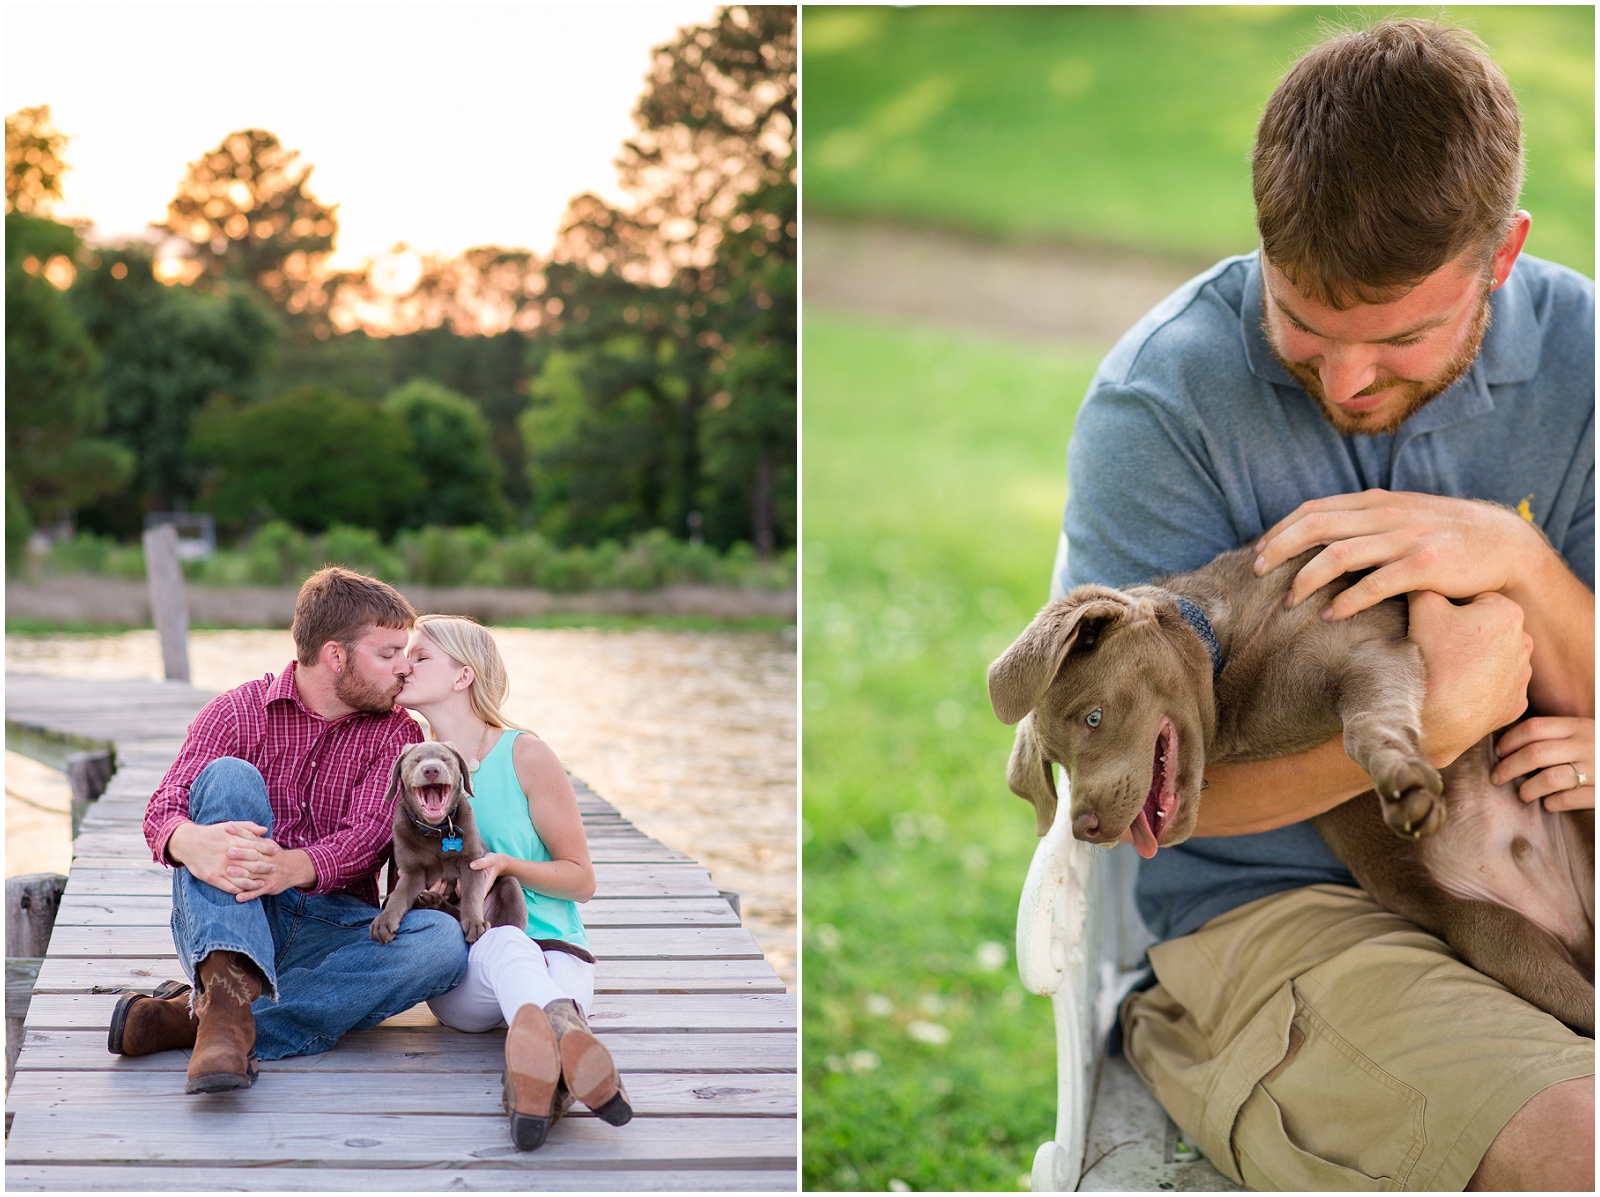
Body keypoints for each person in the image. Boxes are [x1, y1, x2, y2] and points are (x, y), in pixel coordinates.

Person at [1052, 19, 1593, 1191]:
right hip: (1277, 916)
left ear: (1501, 259)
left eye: (1402, 337)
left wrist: (1518, 561)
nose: (1347, 383)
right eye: (1302, 323)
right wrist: (1426, 732)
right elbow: (1131, 804)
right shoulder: (1163, 405)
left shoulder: (1583, 364)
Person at [110, 567, 468, 1092]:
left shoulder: (398, 732)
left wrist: (289, 867)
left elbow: (369, 834)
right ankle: (228, 994)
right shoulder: (236, 711)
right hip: (235, 913)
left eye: (406, 653)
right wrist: (188, 841)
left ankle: (209, 1022)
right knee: (227, 778)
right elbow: (162, 807)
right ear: (336, 656)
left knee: (441, 944)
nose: (402, 670)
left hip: (336, 927)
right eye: (388, 654)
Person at [396, 614, 631, 1151]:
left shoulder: (525, 754)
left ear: (463, 676)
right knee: (506, 943)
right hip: (469, 966)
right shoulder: (414, 767)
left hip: (558, 953)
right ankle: (568, 1039)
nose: (404, 664)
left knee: (537, 977)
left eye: (421, 655)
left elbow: (582, 881)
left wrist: (507, 866)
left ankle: (532, 1096)